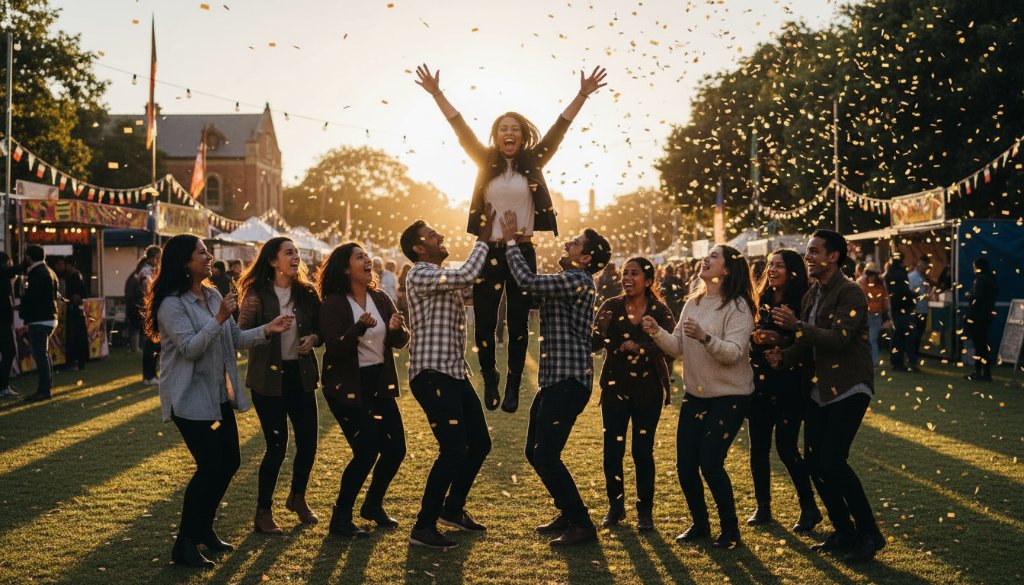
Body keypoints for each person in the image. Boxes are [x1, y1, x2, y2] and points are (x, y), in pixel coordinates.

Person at [415, 63, 608, 414]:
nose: (508, 133)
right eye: (503, 129)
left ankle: (514, 382)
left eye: (514, 129)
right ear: (496, 136)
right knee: (487, 318)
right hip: (488, 250)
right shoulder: (484, 159)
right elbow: (460, 129)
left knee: (519, 320)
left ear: (522, 137)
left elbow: (558, 130)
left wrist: (582, 94)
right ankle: (490, 375)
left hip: (523, 249)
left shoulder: (534, 160)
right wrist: (437, 94)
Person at [146, 234, 292, 568]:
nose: (209, 255)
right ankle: (184, 544)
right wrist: (219, 319)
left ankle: (203, 529)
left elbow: (235, 340)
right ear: (184, 261)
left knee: (229, 463)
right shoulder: (172, 303)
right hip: (189, 401)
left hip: (217, 398)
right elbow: (189, 348)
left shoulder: (212, 295)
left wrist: (268, 329)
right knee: (211, 467)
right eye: (202, 252)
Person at [767, 229, 884, 563]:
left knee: (833, 461)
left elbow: (840, 339)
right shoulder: (812, 293)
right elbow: (806, 345)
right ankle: (844, 531)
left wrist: (795, 326)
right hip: (819, 390)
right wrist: (783, 356)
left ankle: (870, 534)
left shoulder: (850, 293)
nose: (808, 257)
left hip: (849, 387)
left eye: (814, 251)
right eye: (808, 251)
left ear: (834, 256)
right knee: (815, 463)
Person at [501, 209, 612, 547]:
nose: (567, 244)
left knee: (545, 454)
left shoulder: (576, 280)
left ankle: (581, 523)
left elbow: (529, 282)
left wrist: (509, 243)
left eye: (575, 243)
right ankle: (567, 511)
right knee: (535, 452)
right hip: (555, 381)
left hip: (568, 381)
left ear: (587, 257)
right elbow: (530, 293)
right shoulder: (569, 280)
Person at [643, 245, 756, 549]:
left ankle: (730, 530)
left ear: (728, 269)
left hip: (730, 395)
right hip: (696, 394)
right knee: (685, 464)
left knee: (710, 462)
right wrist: (656, 332)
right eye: (707, 255)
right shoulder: (693, 303)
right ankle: (700, 523)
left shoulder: (738, 306)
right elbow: (678, 346)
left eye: (714, 256)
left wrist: (705, 338)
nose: (706, 259)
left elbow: (733, 354)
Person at [400, 208, 496, 550]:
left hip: (454, 372)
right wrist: (484, 237)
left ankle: (452, 509)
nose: (440, 237)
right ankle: (423, 527)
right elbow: (469, 274)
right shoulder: (420, 275)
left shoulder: (440, 274)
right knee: (453, 448)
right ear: (418, 249)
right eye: (432, 235)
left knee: (480, 443)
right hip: (431, 374)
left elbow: (475, 285)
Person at [319, 242, 410, 537]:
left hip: (378, 385)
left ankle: (372, 505)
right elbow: (334, 347)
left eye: (367, 256)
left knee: (395, 449)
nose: (367, 260)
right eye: (359, 257)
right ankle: (340, 518)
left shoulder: (381, 298)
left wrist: (398, 329)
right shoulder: (333, 303)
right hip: (346, 387)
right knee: (367, 449)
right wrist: (357, 328)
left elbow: (399, 341)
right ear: (346, 268)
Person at [237, 237, 323, 534]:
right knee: (276, 447)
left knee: (309, 442)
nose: (296, 256)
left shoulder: (306, 293)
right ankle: (263, 512)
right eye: (289, 252)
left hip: (301, 376)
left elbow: (321, 328)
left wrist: (314, 339)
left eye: (296, 252)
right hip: (268, 379)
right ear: (274, 261)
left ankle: (297, 498)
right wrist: (268, 330)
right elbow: (240, 333)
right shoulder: (256, 294)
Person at [592, 257, 674, 533]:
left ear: (648, 281)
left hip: (648, 390)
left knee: (642, 451)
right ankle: (615, 508)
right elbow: (594, 341)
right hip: (615, 387)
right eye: (625, 273)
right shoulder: (610, 307)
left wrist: (642, 347)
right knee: (611, 451)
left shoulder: (660, 311)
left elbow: (671, 346)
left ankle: (645, 512)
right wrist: (589, 327)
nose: (627, 278)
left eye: (634, 273)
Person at [745, 249, 821, 532]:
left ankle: (809, 508)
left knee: (787, 447)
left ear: (792, 271)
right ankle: (762, 506)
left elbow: (809, 341)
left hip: (790, 384)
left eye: (778, 265)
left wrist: (783, 339)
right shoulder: (761, 299)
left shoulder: (803, 301)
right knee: (758, 448)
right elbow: (749, 336)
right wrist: (757, 337)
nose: (772, 270)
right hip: (759, 383)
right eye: (769, 265)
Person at [20, 246, 61, 403]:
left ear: (29, 257)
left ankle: (44, 390)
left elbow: (32, 298)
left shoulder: (36, 273)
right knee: (44, 354)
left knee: (40, 355)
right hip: (50, 317)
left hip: (40, 318)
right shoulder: (50, 271)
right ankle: (46, 387)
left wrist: (23, 310)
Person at [964, 257, 998, 382]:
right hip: (986, 316)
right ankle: (986, 372)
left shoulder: (980, 280)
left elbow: (977, 297)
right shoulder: (991, 279)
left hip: (977, 316)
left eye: (974, 266)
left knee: (979, 345)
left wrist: (969, 295)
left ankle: (978, 372)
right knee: (982, 345)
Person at [883, 257, 913, 371]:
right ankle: (900, 362)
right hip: (904, 308)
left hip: (894, 308)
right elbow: (905, 291)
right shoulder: (902, 273)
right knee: (902, 336)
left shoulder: (888, 274)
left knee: (895, 336)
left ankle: (894, 361)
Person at [857, 262, 889, 366]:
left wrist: (886, 314)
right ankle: (868, 361)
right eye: (869, 273)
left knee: (871, 340)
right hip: (866, 315)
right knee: (867, 340)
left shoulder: (864, 283)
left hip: (874, 315)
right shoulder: (862, 283)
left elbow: (885, 300)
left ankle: (873, 362)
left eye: (871, 273)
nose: (870, 276)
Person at [61, 257, 89, 371]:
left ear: (69, 265)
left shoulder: (73, 277)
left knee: (74, 336)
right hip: (79, 310)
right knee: (80, 336)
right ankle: (81, 362)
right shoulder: (79, 275)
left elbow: (75, 295)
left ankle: (74, 362)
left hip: (74, 309)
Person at [139, 245, 162, 385]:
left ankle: (151, 374)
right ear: (154, 258)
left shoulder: (148, 270)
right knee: (151, 345)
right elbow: (148, 291)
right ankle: (149, 375)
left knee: (153, 344)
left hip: (150, 311)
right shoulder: (146, 271)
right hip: (149, 312)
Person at [906, 255, 932, 372]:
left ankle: (914, 359)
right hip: (915, 311)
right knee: (913, 336)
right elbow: (910, 292)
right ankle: (911, 360)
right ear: (918, 264)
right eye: (922, 265)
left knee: (918, 336)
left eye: (925, 266)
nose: (924, 267)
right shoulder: (911, 277)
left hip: (923, 310)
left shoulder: (925, 278)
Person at [0, 252, 20, 399]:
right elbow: (14, 270)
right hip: (3, 321)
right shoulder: (3, 274)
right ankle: (3, 386)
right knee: (9, 352)